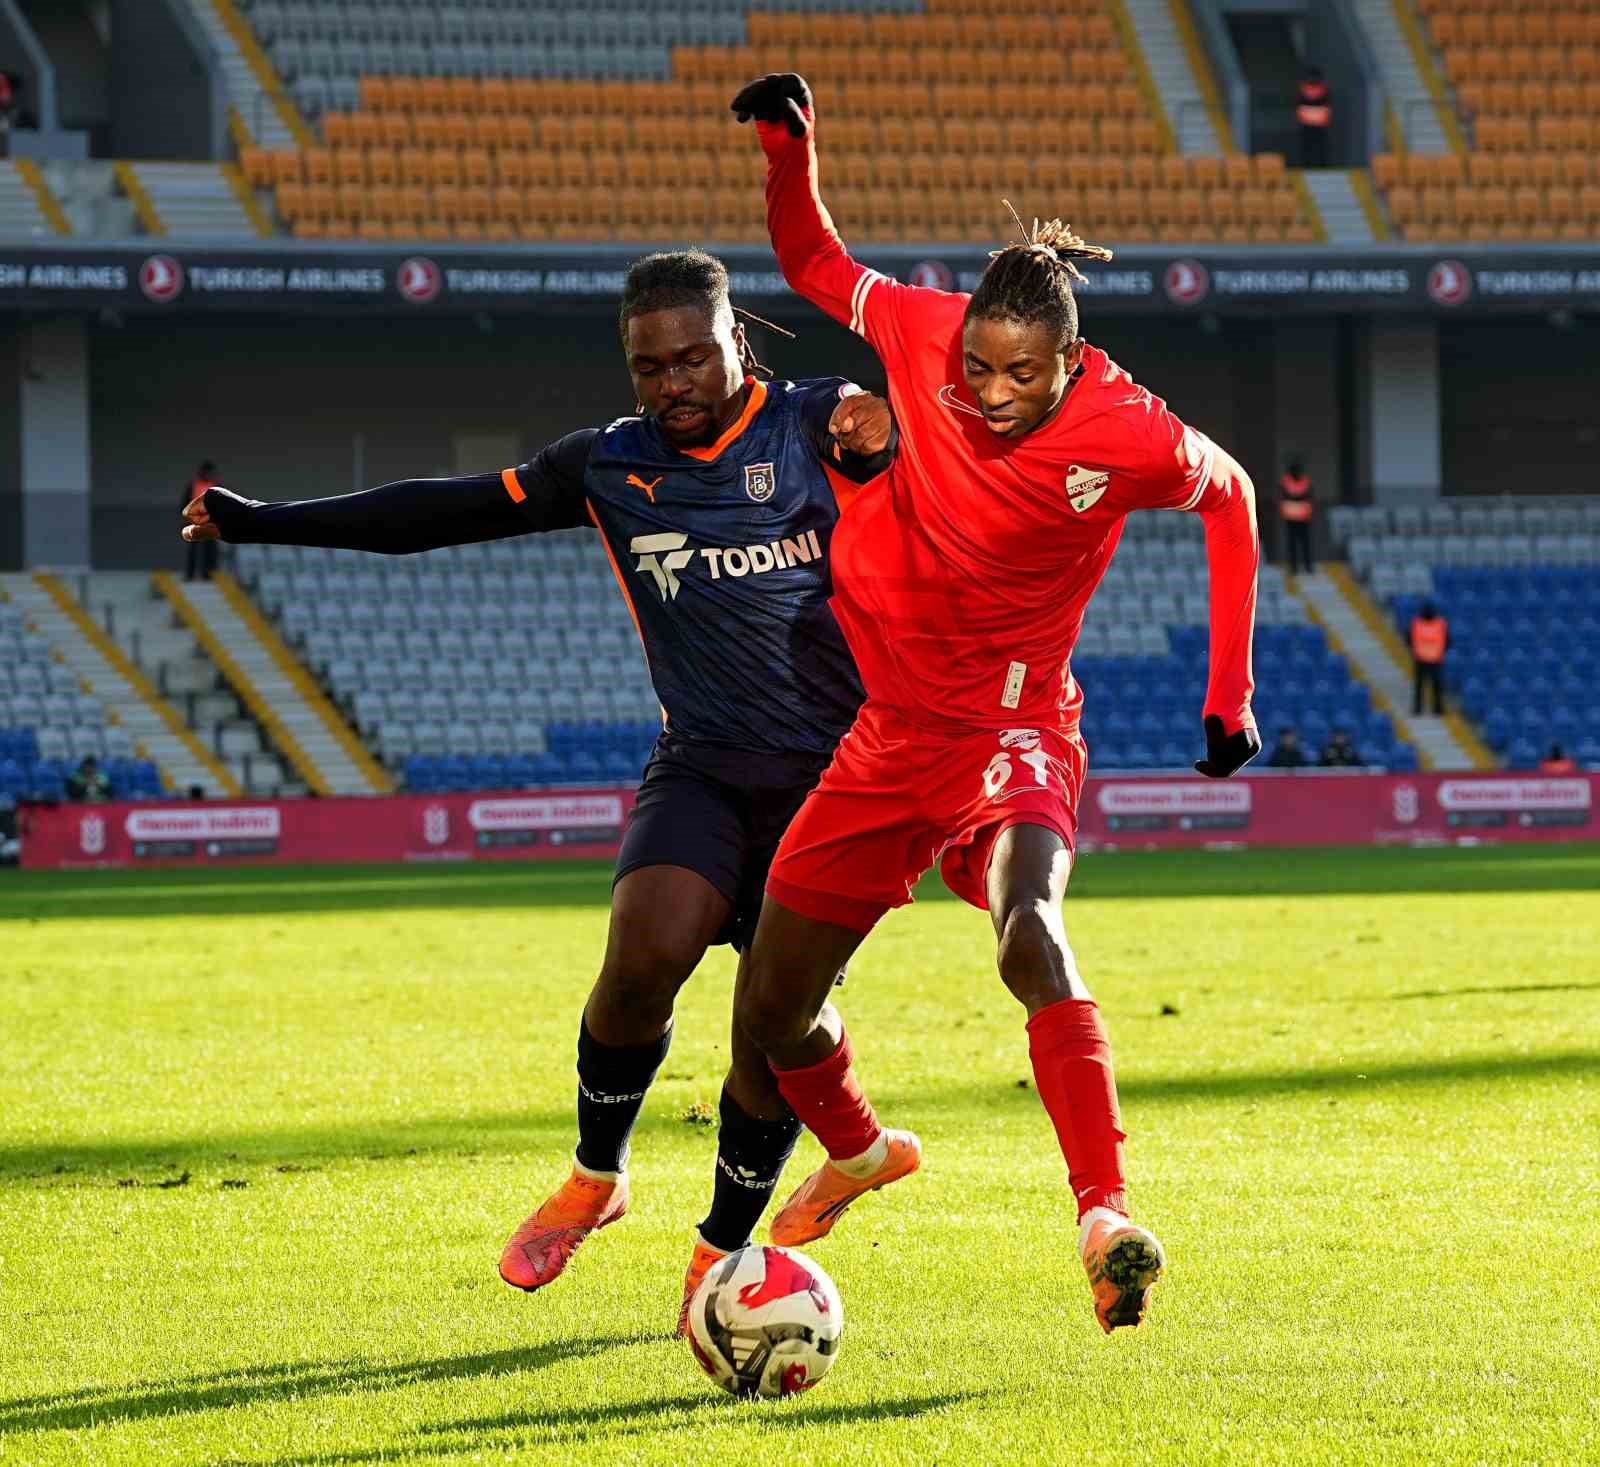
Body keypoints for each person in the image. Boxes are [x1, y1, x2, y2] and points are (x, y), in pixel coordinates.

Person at [181, 249, 896, 1333]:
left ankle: (720, 1253)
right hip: (700, 761)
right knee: (641, 953)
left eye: (692, 357)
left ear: (735, 342)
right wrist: (260, 519)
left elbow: (942, 445)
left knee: (768, 1025)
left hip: (835, 787)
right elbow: (437, 512)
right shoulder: (606, 465)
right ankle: (596, 1176)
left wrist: (879, 423)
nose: (672, 383)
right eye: (647, 367)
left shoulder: (813, 426)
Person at [727, 74, 1261, 1335]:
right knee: (769, 1009)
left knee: (1029, 929)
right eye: (980, 365)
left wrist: (1226, 689)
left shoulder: (1127, 430)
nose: (993, 389)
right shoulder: (920, 333)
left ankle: (1105, 1217)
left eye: (1021, 372)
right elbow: (811, 259)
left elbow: (1232, 497)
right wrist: (786, 145)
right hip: (886, 734)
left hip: (1014, 728)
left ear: (1071, 358)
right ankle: (856, 1152)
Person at [1409, 600, 1449, 715]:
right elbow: (1448, 640)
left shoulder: (1416, 623)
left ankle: (1417, 709)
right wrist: (1441, 651)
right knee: (1437, 686)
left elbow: (1409, 639)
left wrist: (1415, 651)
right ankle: (1438, 709)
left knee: (1419, 686)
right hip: (1436, 659)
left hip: (1420, 659)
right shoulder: (1441, 623)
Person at [184, 461, 221, 581]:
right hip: (194, 521)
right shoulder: (193, 485)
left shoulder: (216, 485)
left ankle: (208, 574)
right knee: (193, 549)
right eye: (207, 472)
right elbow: (184, 502)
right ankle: (190, 574)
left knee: (210, 550)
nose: (209, 474)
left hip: (211, 522)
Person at [1278, 459, 1314, 576]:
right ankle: (1308, 567)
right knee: (1304, 543)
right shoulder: (1305, 481)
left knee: (1294, 544)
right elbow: (1310, 496)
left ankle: (1295, 568)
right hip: (1302, 516)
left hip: (1291, 517)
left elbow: (1281, 496)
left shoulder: (1285, 481)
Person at [1297, 67, 1332, 169]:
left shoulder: (1303, 89)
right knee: (1318, 147)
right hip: (1317, 123)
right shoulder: (1324, 89)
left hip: (1309, 123)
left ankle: (1310, 165)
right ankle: (1320, 165)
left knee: (1311, 147)